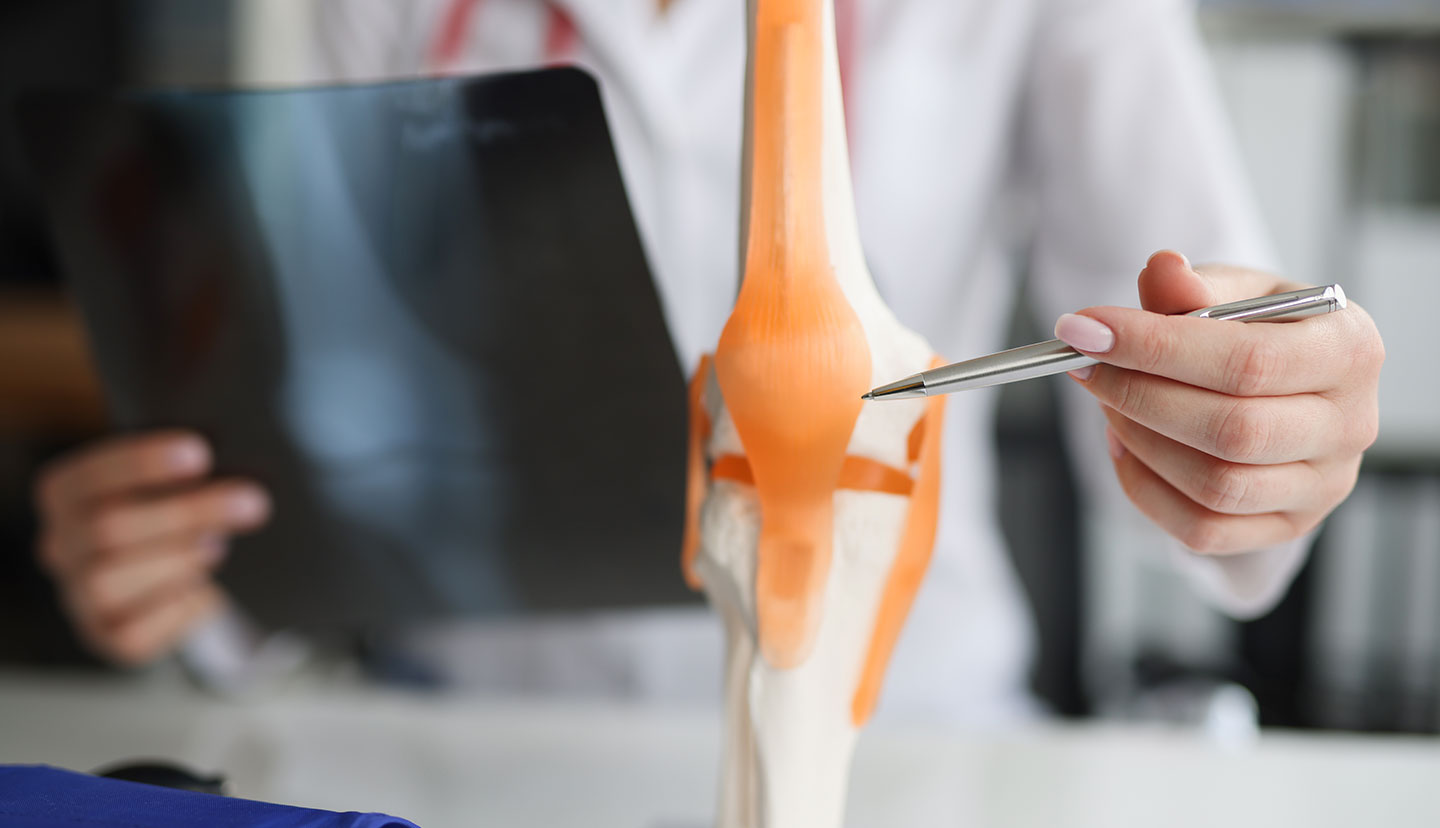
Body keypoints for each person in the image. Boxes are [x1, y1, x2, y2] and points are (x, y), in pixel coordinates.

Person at [33, 0, 1383, 723]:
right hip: (481, 735)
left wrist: (1260, 425)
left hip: (912, 739)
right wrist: (205, 572)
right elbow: (330, 403)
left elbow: (1212, 339)